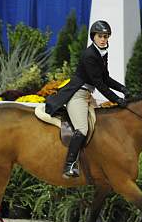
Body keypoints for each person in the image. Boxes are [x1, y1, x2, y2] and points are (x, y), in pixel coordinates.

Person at [45, 20, 129, 178]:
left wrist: (122, 88)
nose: (103, 39)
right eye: (100, 36)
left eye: (106, 36)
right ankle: (69, 166)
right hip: (77, 94)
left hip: (87, 96)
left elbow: (106, 78)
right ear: (93, 37)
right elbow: (99, 84)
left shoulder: (102, 52)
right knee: (82, 129)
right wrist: (117, 100)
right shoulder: (89, 55)